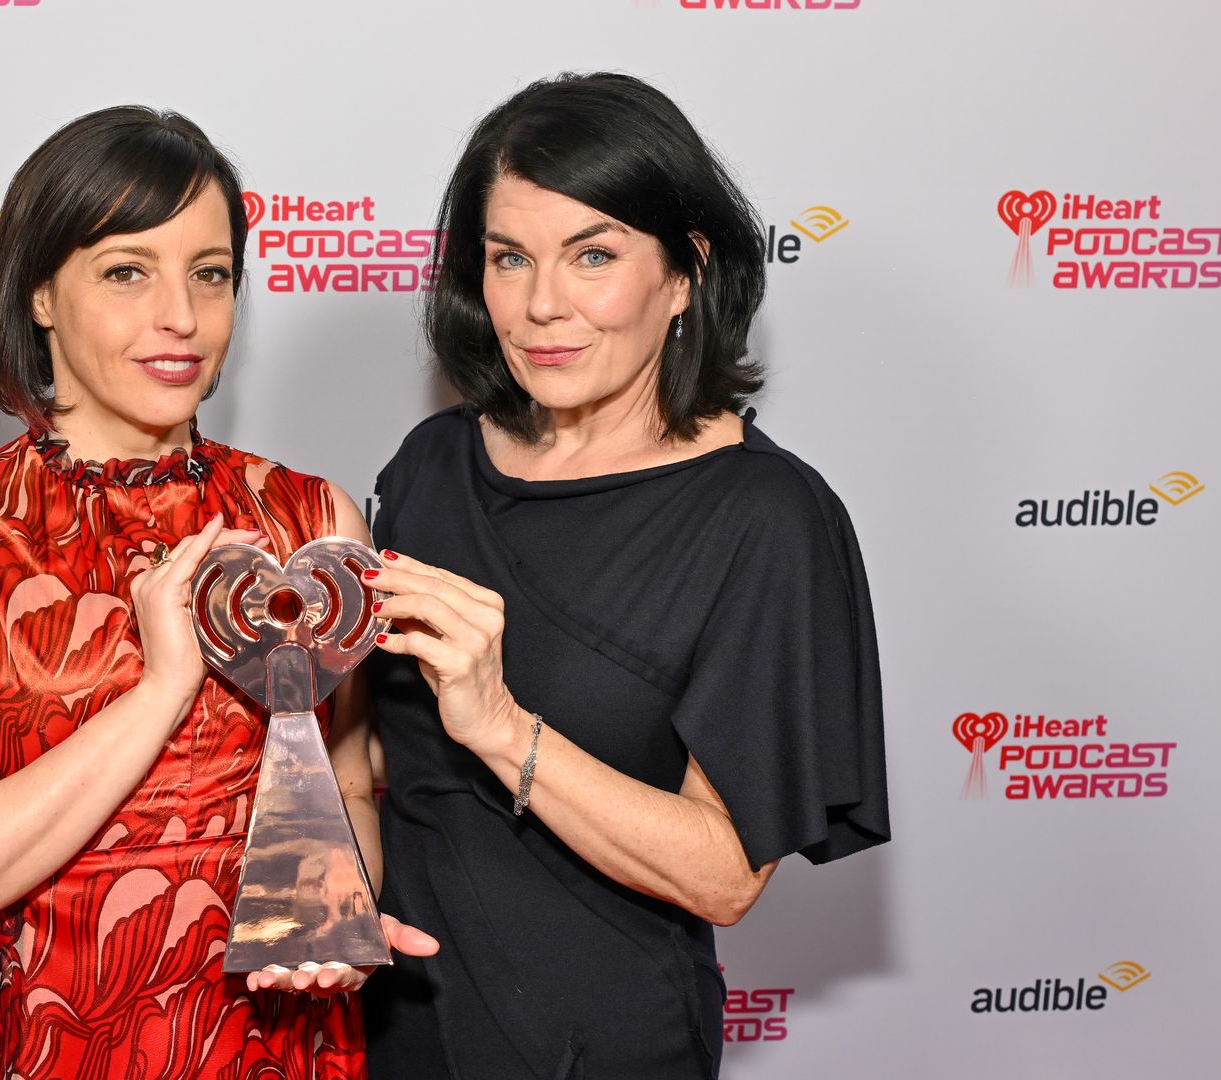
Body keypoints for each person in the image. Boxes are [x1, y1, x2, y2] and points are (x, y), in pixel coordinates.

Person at [0, 105, 431, 1080]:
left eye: (210, 274)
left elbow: (349, 781)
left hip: (270, 1045)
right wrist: (163, 687)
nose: (182, 317)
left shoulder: (312, 519)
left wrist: (333, 911)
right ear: (39, 293)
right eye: (127, 271)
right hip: (37, 1049)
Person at [361, 73, 890, 1079]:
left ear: (686, 272)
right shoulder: (430, 465)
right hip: (395, 1029)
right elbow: (366, 755)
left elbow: (728, 875)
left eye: (592, 255)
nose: (542, 304)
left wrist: (501, 726)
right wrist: (331, 889)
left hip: (597, 1045)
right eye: (509, 258)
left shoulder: (765, 518)